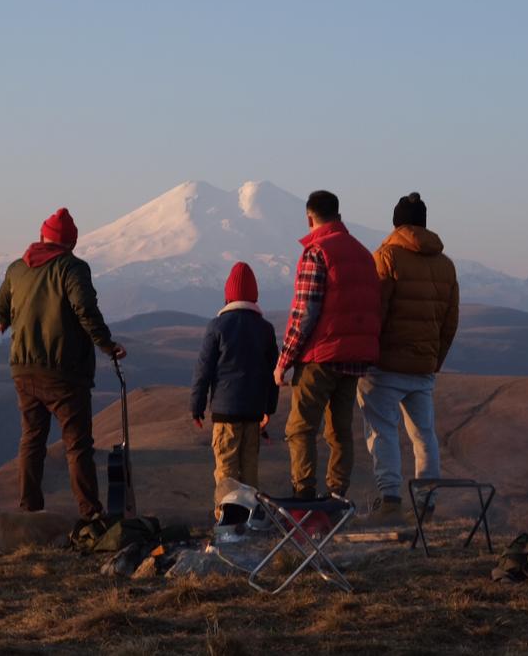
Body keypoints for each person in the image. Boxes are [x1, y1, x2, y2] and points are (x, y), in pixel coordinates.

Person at [0, 207, 126, 521]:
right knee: (77, 444)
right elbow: (84, 308)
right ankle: (90, 513)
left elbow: (1, 302)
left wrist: (4, 322)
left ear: (43, 236)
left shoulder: (17, 268)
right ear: (71, 243)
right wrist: (107, 345)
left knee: (32, 438)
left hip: (23, 368)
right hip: (64, 371)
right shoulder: (72, 268)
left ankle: (30, 510)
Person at [358, 193, 459, 522]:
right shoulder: (446, 265)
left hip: (385, 365)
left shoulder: (386, 257)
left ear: (396, 222)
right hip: (423, 366)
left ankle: (390, 501)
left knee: (382, 430)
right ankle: (426, 505)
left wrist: (368, 352)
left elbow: (376, 311)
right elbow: (450, 321)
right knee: (424, 434)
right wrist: (435, 360)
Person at [274, 190, 381, 500]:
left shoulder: (317, 251)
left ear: (310, 218)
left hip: (320, 356)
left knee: (300, 427)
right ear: (339, 215)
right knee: (339, 430)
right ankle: (338, 496)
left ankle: (304, 495)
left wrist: (285, 361)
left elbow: (304, 311)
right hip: (354, 359)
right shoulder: (363, 254)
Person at [190, 262, 280, 507]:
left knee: (226, 472)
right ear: (254, 294)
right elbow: (273, 373)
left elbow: (203, 370)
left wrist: (196, 407)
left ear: (227, 295)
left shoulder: (217, 327)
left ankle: (227, 524)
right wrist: (268, 409)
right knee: (250, 470)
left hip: (225, 413)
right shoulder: (265, 329)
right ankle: (251, 521)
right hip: (253, 413)